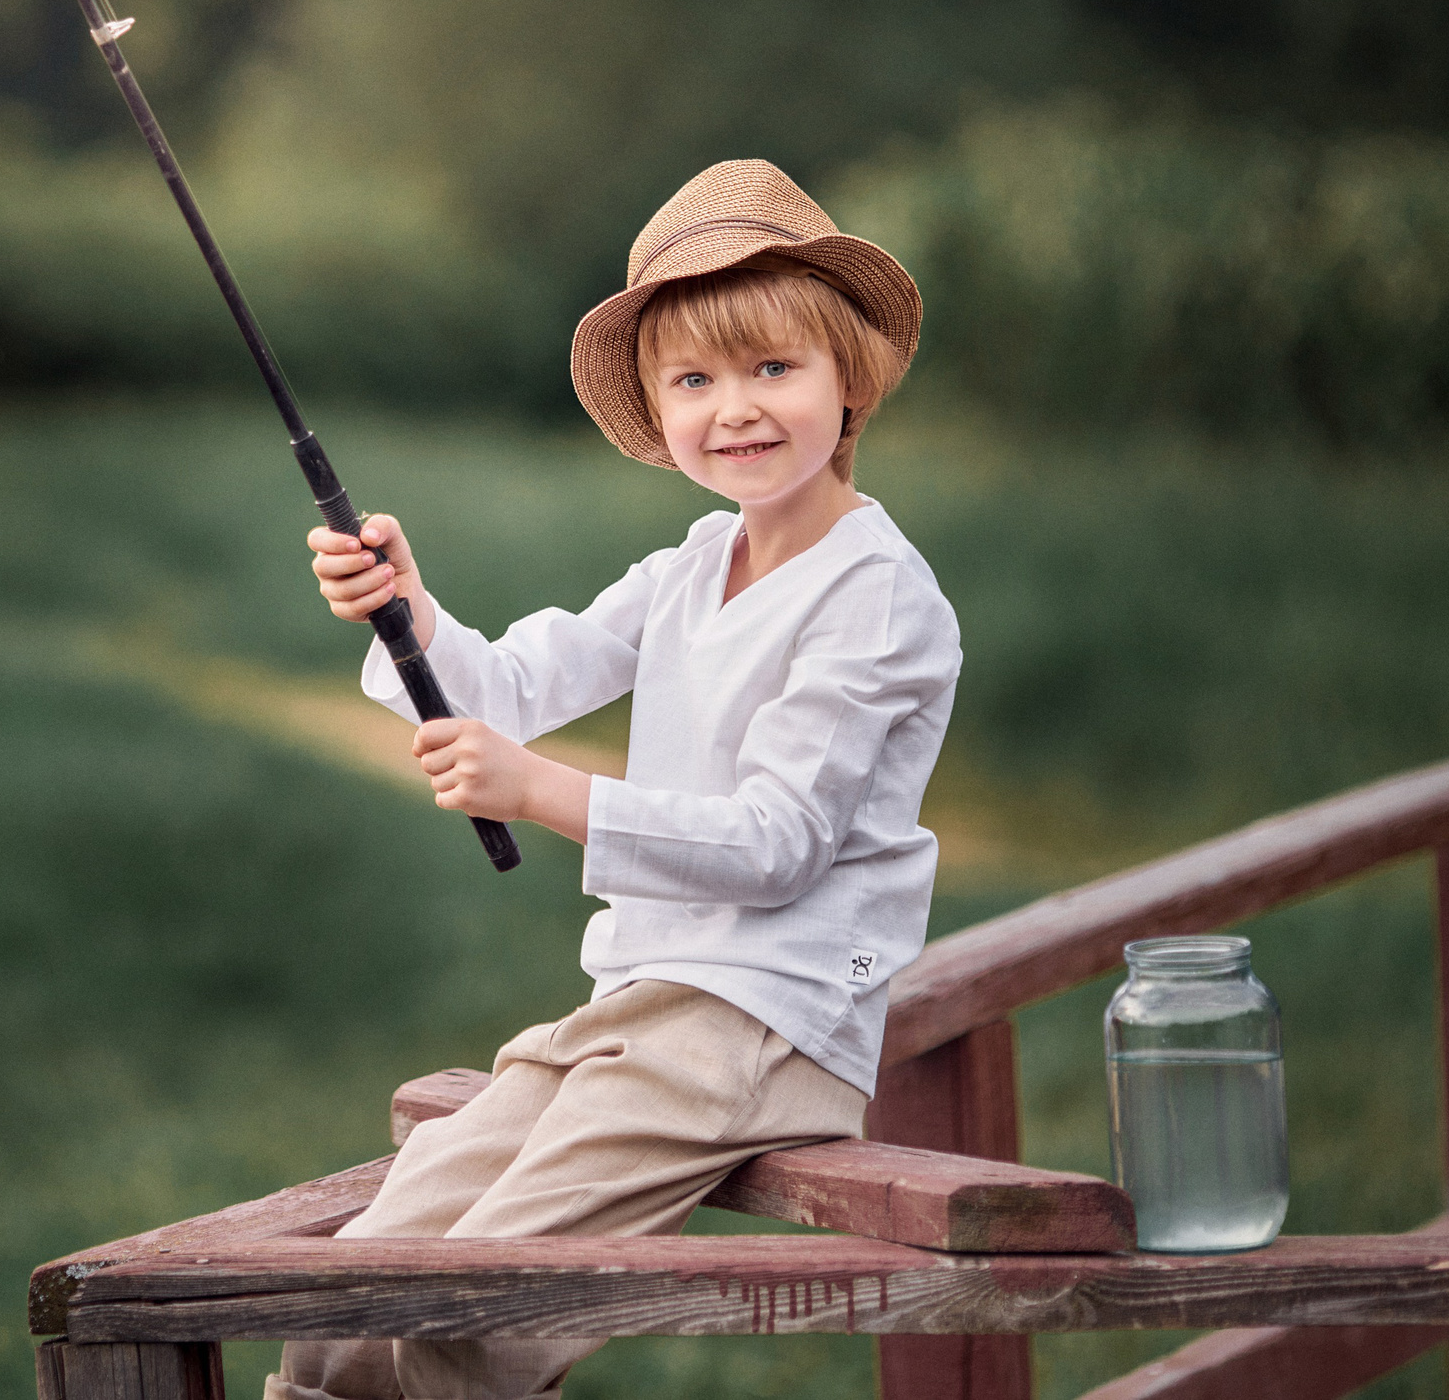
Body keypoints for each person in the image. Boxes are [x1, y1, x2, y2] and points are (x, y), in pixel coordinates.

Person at [271, 158, 961, 1400]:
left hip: (766, 1021)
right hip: (633, 1009)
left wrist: (538, 791)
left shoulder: (877, 595)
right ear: (655, 412)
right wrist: (407, 611)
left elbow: (776, 844)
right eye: (693, 380)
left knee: (472, 1310)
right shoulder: (696, 561)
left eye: (772, 368)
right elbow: (508, 686)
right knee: (352, 1283)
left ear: (848, 376)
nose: (734, 409)